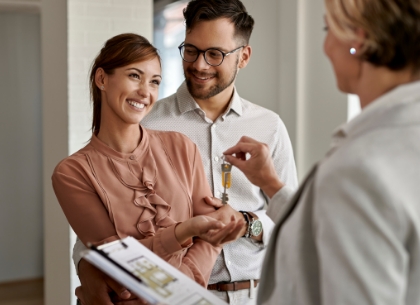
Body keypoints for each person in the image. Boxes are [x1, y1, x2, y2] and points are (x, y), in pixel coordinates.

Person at [73, 0, 298, 304]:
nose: (200, 65)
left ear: (243, 57)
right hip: (165, 296)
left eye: (215, 54)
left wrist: (246, 223)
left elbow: (290, 217)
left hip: (257, 295)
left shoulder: (269, 126)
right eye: (191, 50)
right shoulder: (147, 122)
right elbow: (98, 223)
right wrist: (87, 268)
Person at [222, 0, 420, 304]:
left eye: (329, 29)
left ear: (359, 40)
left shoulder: (359, 168)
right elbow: (320, 235)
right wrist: (271, 184)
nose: (326, 46)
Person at [51, 33, 245, 305]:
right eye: (134, 76)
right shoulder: (72, 173)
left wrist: (178, 289)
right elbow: (115, 261)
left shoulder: (181, 146)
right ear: (102, 79)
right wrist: (185, 231)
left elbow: (211, 238)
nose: (146, 91)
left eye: (155, 82)